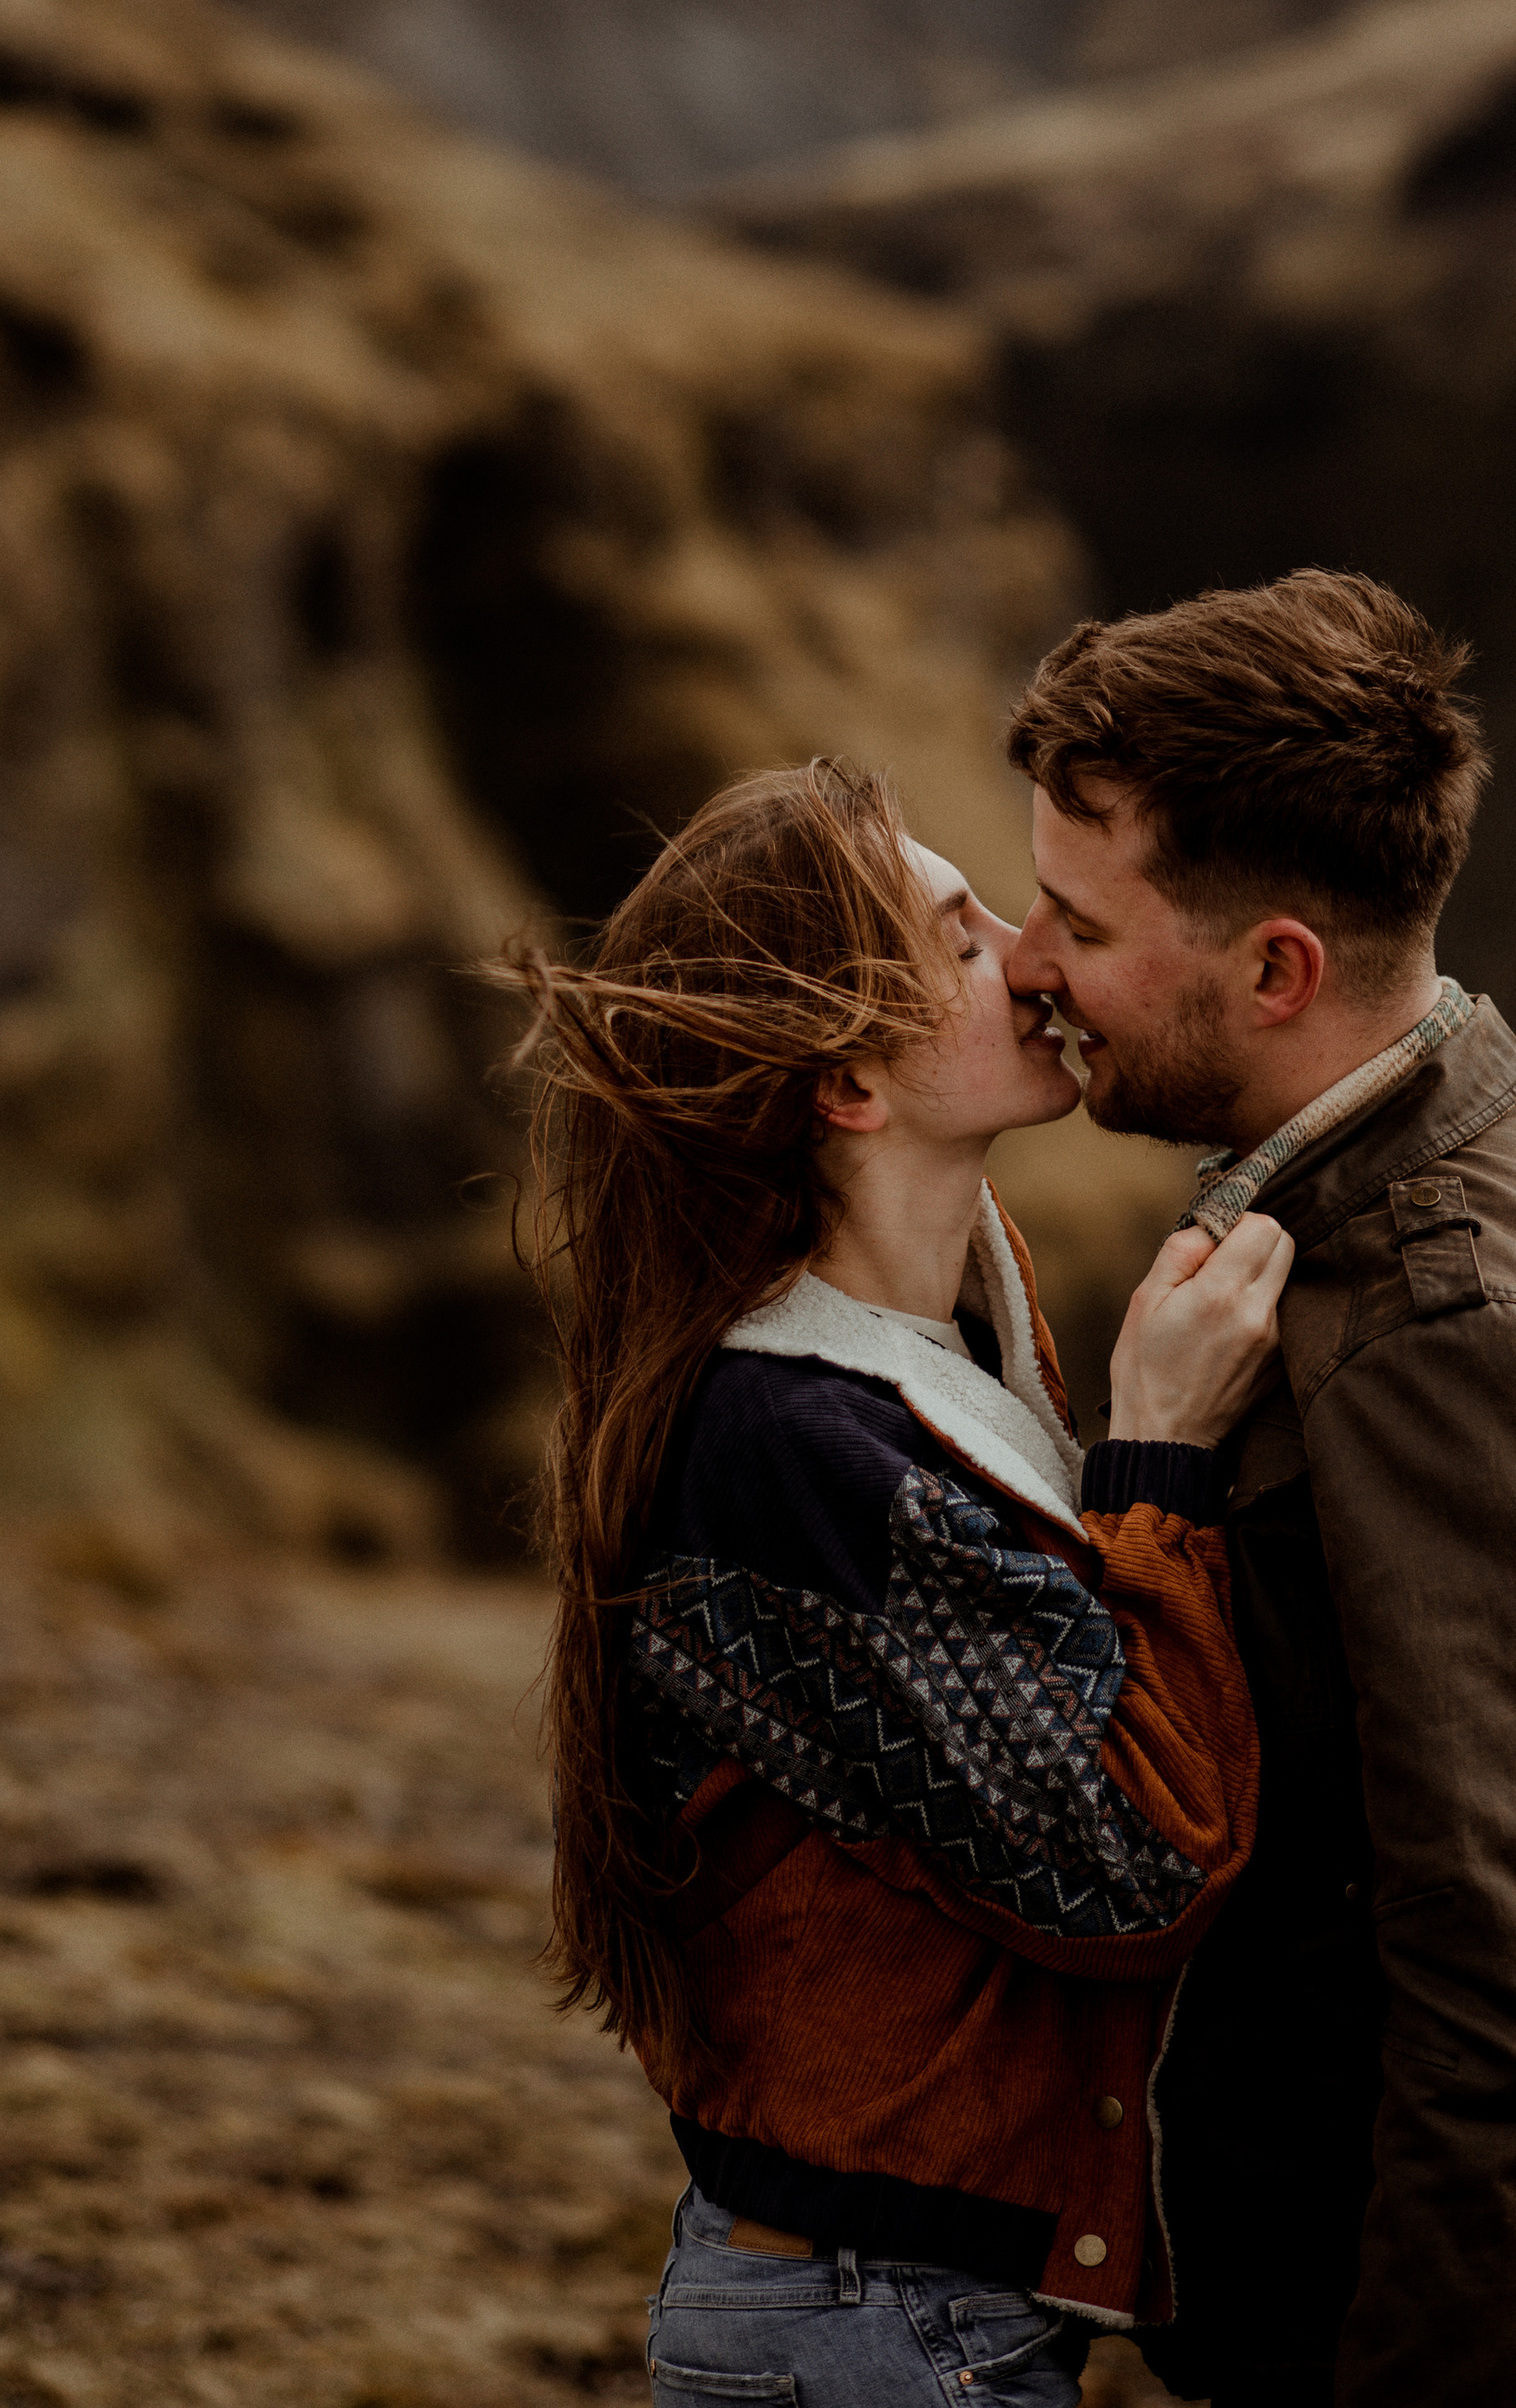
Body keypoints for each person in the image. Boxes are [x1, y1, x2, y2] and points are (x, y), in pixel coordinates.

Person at [1004, 571, 1516, 2408]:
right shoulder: (1370, 1170)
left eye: (1072, 916)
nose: (1021, 960)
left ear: (1275, 968)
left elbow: (1513, 1994)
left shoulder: (1459, 1328)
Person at [503, 757, 1287, 2406]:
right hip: (872, 2330)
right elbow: (1133, 1858)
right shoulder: (791, 1440)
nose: (1031, 952)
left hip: (903, 2313)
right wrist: (1157, 1465)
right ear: (850, 1085)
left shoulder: (945, 1343)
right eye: (958, 935)